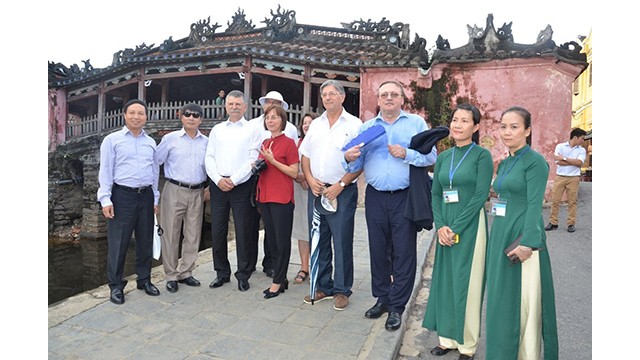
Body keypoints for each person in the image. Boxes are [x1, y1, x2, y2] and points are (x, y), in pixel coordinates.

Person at [343, 81, 437, 331]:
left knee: (404, 251)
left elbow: (431, 157)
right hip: (375, 196)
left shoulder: (415, 123)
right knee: (378, 249)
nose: (388, 98)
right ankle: (382, 298)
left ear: (402, 99)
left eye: (394, 94)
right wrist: (348, 158)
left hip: (404, 196)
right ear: (378, 99)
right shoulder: (368, 127)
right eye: (384, 94)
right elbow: (354, 164)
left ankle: (397, 306)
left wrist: (406, 154)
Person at [485, 106, 558, 360]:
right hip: (500, 235)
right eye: (503, 126)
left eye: (514, 127)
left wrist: (527, 243)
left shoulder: (535, 162)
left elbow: (534, 205)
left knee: (521, 304)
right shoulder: (505, 162)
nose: (507, 132)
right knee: (499, 300)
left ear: (527, 130)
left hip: (521, 240)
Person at [421, 104, 493, 358]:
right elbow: (436, 193)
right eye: (455, 120)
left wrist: (456, 227)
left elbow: (480, 196)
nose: (458, 125)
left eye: (465, 121)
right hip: (445, 227)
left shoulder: (481, 156)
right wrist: (441, 226)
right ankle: (448, 338)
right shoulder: (443, 157)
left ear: (475, 127)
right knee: (446, 281)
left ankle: (467, 343)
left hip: (471, 225)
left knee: (468, 283)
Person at [299, 80, 362, 311]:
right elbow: (305, 156)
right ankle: (324, 286)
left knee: (342, 240)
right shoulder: (315, 124)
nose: (327, 98)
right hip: (317, 189)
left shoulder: (355, 124)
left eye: (332, 94)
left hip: (342, 191)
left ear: (342, 97)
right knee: (319, 239)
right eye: (324, 94)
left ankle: (342, 289)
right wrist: (309, 178)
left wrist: (341, 184)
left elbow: (360, 161)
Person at [97, 99, 161, 305]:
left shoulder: (150, 142)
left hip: (146, 195)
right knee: (119, 242)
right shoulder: (112, 140)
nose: (136, 117)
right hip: (122, 195)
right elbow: (105, 170)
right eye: (132, 113)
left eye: (140, 113)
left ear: (146, 117)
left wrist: (155, 198)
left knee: (145, 241)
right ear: (124, 115)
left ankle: (144, 279)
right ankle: (116, 286)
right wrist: (105, 199)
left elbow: (155, 172)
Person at [205, 90, 262, 292]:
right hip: (218, 185)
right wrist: (219, 180)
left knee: (243, 230)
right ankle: (221, 272)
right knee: (218, 230)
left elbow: (252, 159)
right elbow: (209, 157)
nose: (234, 107)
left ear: (245, 107)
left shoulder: (253, 129)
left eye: (238, 104)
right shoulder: (217, 130)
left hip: (242, 185)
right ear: (226, 106)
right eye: (231, 104)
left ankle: (243, 273)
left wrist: (234, 180)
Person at [155, 103, 209, 293]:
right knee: (170, 233)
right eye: (188, 114)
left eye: (196, 115)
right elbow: (156, 162)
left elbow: (211, 165)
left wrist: (209, 186)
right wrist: (154, 193)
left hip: (197, 191)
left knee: (193, 233)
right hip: (174, 189)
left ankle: (186, 272)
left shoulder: (206, 142)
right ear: (181, 117)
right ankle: (170, 274)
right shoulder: (170, 139)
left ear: (201, 119)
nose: (191, 118)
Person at [248, 90, 299, 278]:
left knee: (281, 239)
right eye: (268, 118)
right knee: (270, 237)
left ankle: (279, 278)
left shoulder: (289, 141)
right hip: (265, 195)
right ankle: (275, 272)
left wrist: (273, 160)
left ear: (282, 121)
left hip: (282, 196)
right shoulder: (265, 141)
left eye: (275, 118)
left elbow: (294, 171)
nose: (271, 120)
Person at [544, 127, 587, 233]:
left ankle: (571, 223)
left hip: (574, 178)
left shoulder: (582, 150)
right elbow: (557, 162)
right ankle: (553, 222)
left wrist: (563, 158)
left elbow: (579, 163)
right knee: (555, 200)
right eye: (582, 138)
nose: (583, 141)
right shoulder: (560, 146)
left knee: (572, 201)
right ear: (575, 137)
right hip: (560, 177)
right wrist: (571, 162)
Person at [291, 112, 317, 284]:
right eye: (304, 123)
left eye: (310, 122)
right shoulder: (296, 145)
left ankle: (318, 266)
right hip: (300, 189)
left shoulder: (321, 143)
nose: (307, 125)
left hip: (317, 189)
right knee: (302, 230)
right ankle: (304, 267)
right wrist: (299, 177)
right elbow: (291, 166)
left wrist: (309, 179)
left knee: (318, 229)